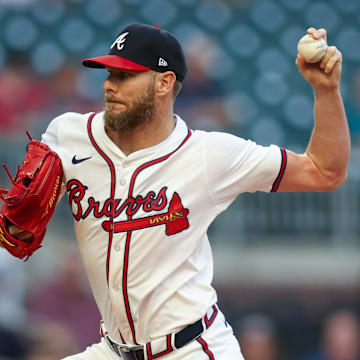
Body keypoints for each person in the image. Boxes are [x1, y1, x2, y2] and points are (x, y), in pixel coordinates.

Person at [3, 23, 349, 360]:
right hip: (112, 348)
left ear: (164, 82)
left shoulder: (208, 154)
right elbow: (16, 230)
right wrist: (15, 225)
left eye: (125, 76)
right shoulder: (69, 134)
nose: (110, 85)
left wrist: (326, 90)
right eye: (108, 74)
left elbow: (323, 171)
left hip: (190, 347)